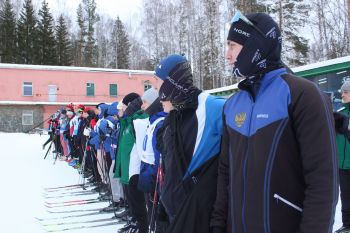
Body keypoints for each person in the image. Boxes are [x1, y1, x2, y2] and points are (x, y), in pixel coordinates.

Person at [210, 11, 338, 233]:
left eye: (232, 45)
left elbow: (322, 182)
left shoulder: (303, 95)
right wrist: (218, 224)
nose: (227, 55)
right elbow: (225, 173)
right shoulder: (232, 106)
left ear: (255, 46)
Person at [154, 54, 225, 233]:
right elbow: (169, 164)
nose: (155, 88)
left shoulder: (211, 106)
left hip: (198, 216)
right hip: (173, 214)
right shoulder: (172, 117)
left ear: (172, 82)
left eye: (157, 80)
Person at [334, 81, 350, 233]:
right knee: (345, 195)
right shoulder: (341, 113)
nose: (342, 95)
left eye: (345, 92)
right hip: (342, 164)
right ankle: (347, 225)